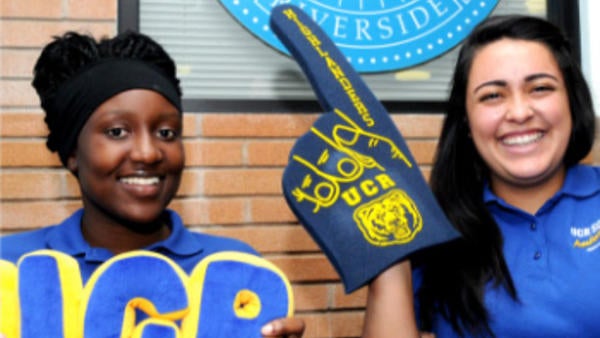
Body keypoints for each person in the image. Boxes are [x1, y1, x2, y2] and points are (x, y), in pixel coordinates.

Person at [0, 30, 304, 338]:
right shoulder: (12, 268)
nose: (148, 152)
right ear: (72, 153)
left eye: (166, 133)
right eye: (117, 132)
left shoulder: (234, 272)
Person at [362, 14, 598, 338]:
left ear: (572, 101)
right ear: (467, 123)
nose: (519, 112)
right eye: (492, 96)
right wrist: (387, 252)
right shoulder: (434, 231)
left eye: (540, 88)